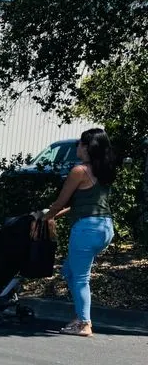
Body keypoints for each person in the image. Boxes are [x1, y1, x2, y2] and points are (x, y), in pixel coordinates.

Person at [39, 127, 118, 336]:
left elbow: (59, 202)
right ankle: (80, 317)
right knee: (69, 272)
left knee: (81, 278)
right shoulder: (104, 171)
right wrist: (55, 216)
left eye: (79, 144)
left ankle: (84, 323)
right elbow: (80, 205)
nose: (77, 147)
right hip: (105, 228)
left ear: (86, 147)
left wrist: (44, 217)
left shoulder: (79, 171)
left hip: (86, 229)